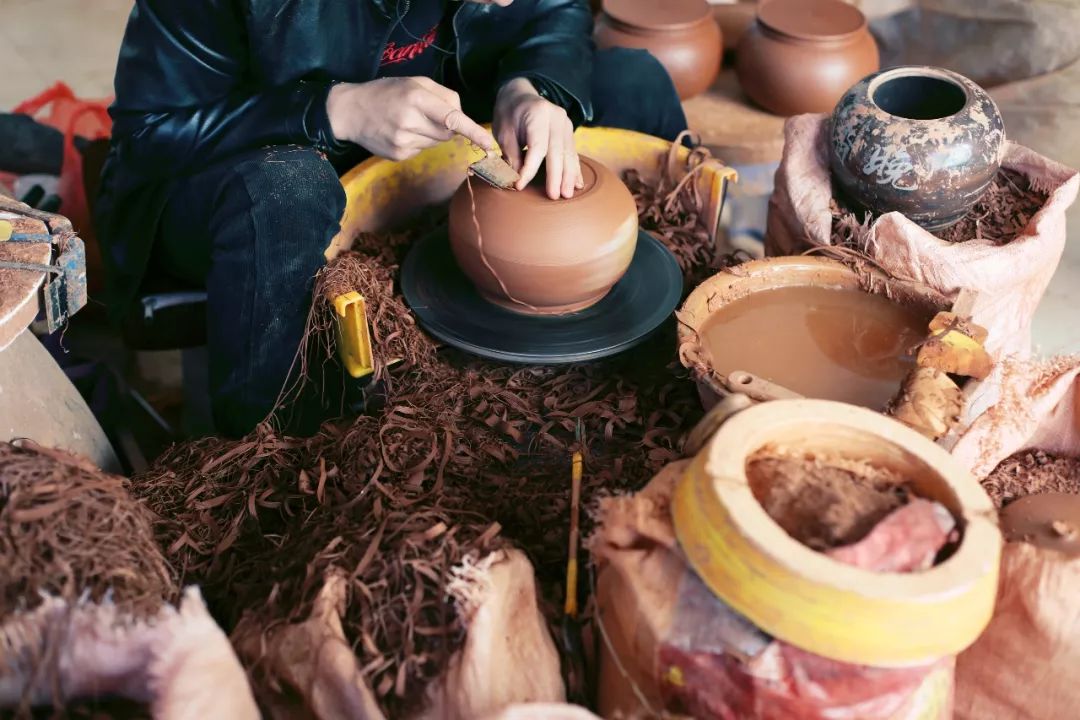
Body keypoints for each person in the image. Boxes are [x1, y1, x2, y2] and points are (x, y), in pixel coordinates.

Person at [95, 0, 688, 438]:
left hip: (432, 126)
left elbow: (553, 11)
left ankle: (662, 364)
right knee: (287, 190)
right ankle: (285, 466)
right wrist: (334, 109)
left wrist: (529, 87)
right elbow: (148, 133)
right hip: (249, 165)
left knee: (632, 80)